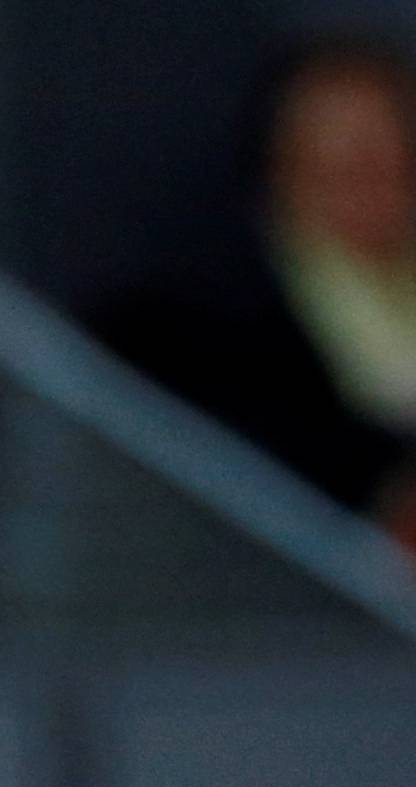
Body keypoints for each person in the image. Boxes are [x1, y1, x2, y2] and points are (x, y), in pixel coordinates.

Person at [96, 39, 416, 532]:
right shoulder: (201, 319)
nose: (366, 170)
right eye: (335, 159)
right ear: (280, 163)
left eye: (384, 150)